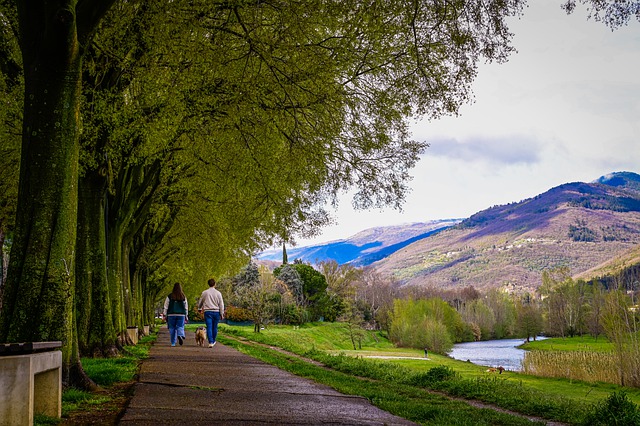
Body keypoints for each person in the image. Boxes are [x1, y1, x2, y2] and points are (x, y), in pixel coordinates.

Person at [197, 278, 224, 348]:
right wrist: (222, 313)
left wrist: (199, 308)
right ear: (215, 284)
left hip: (208, 311)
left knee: (209, 327)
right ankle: (213, 340)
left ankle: (210, 342)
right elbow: (221, 304)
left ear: (208, 284)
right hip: (216, 312)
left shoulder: (205, 292)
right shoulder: (218, 293)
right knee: (214, 327)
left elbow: (201, 301)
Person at [163, 283, 188, 347]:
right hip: (181, 314)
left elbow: (166, 306)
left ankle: (173, 343)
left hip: (171, 314)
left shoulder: (170, 296)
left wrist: (164, 314)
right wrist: (186, 315)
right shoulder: (183, 296)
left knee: (172, 328)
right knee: (180, 326)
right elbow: (186, 306)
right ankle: (180, 334)